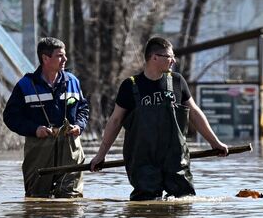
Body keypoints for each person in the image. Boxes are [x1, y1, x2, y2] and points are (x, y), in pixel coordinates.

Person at [89, 36, 229, 200]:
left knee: (183, 201)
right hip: (143, 160)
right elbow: (115, 121)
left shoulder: (177, 81)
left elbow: (195, 114)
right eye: (169, 57)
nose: (173, 61)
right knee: (145, 204)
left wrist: (214, 142)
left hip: (176, 159)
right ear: (154, 57)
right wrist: (101, 154)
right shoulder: (131, 85)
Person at [3, 37, 90, 197]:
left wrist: (79, 125)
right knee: (36, 199)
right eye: (59, 56)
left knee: (71, 199)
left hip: (71, 153)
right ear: (45, 58)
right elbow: (10, 117)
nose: (65, 59)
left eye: (64, 55)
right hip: (39, 154)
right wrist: (35, 130)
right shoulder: (25, 85)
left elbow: (83, 109)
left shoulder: (73, 82)